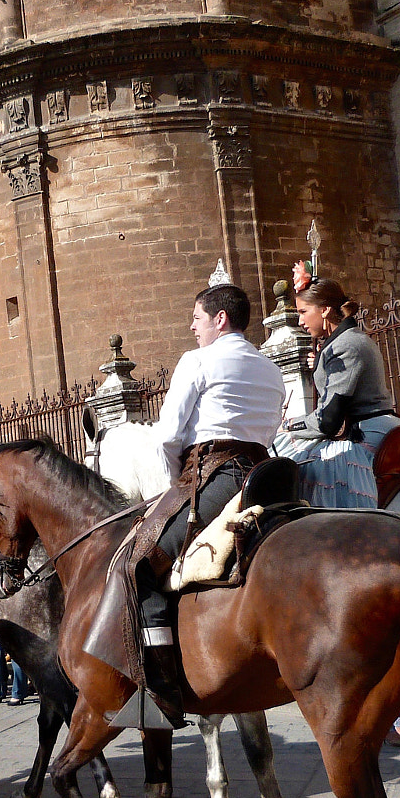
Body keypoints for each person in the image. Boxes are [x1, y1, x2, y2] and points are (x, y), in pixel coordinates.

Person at [133, 281, 285, 727]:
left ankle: (162, 691)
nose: (192, 326)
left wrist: (173, 488)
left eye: (197, 318)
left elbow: (167, 436)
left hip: (215, 478)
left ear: (220, 319)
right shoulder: (271, 368)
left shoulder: (197, 361)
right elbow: (272, 427)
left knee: (141, 566)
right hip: (267, 477)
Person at [272, 268, 400, 508]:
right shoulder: (342, 342)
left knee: (287, 454)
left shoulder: (346, 346)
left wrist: (287, 426)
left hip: (367, 433)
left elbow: (327, 420)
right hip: (366, 427)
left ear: (324, 310)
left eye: (303, 312)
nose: (300, 321)